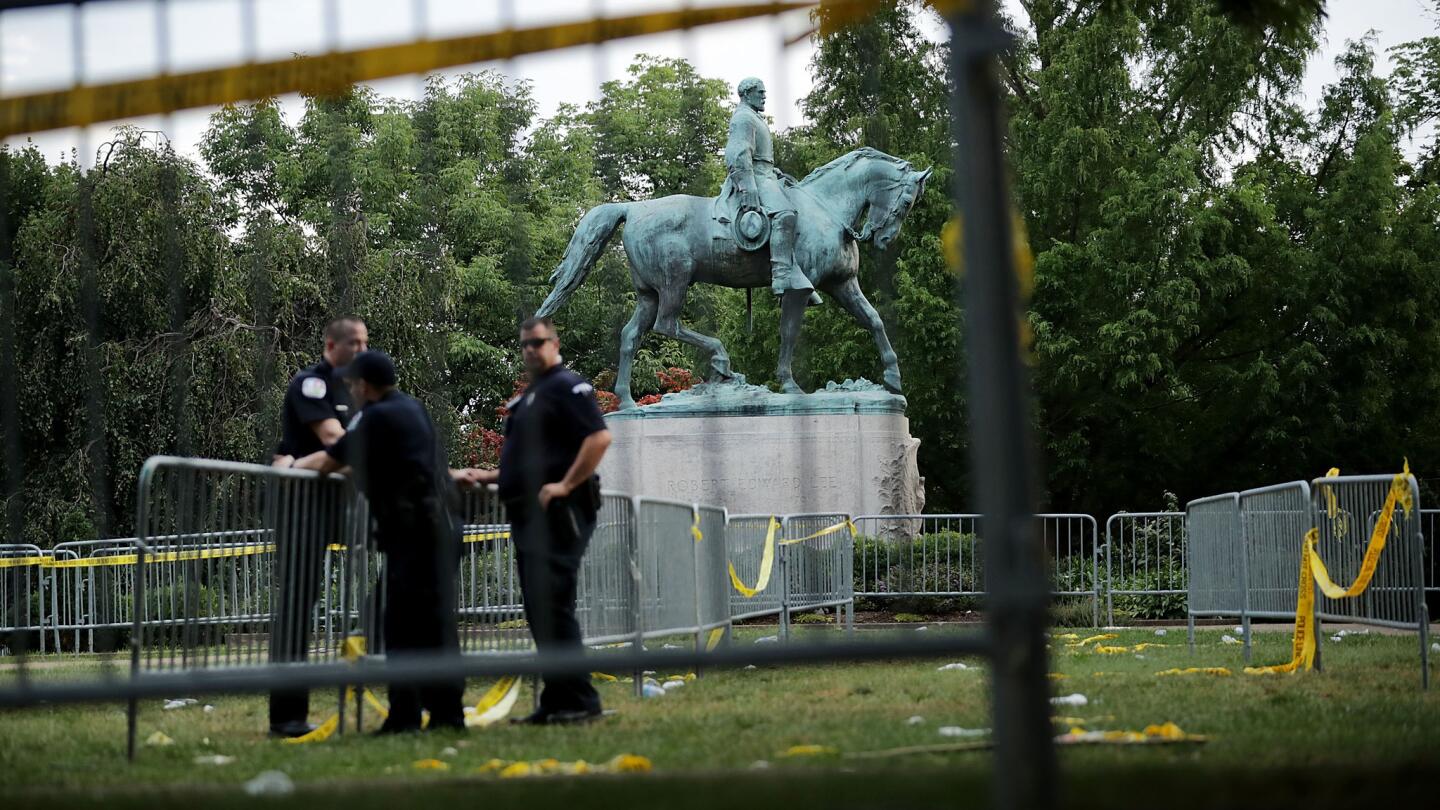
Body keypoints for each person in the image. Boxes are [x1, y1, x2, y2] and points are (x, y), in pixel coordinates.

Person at [281, 350, 473, 734]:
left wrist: (289, 465)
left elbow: (333, 460)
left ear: (363, 386)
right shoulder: (411, 408)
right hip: (441, 525)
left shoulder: (375, 415)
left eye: (352, 384)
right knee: (434, 624)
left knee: (399, 625)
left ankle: (405, 715)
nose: (350, 390)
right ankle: (446, 713)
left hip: (416, 532)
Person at [466, 316, 612, 725]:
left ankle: (580, 700)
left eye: (538, 342)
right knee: (539, 607)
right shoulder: (534, 394)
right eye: (525, 344)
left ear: (554, 343)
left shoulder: (568, 386)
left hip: (560, 512)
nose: (531, 350)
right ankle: (558, 698)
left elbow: (599, 438)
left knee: (552, 604)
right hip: (530, 512)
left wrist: (565, 485)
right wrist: (491, 476)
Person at [267, 317, 367, 738]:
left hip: (345, 504)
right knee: (296, 605)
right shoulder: (313, 384)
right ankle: (287, 716)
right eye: (355, 343)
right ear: (332, 345)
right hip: (303, 506)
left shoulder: (361, 389)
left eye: (366, 343)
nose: (363, 350)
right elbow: (335, 440)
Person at [724, 76, 812, 298]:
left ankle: (798, 272)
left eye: (764, 92)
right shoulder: (744, 118)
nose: (764, 96)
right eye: (760, 92)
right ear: (746, 94)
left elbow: (759, 157)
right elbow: (738, 154)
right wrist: (748, 187)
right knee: (785, 214)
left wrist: (773, 171)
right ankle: (782, 275)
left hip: (766, 175)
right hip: (755, 178)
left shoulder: (753, 117)